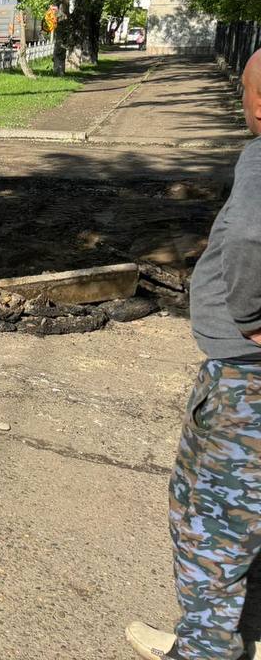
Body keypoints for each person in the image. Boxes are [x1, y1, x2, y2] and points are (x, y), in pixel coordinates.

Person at [127, 49, 261, 660]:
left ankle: (206, 647)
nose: (240, 99)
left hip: (245, 381)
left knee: (212, 515)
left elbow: (252, 238)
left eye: (244, 89)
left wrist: (253, 317)